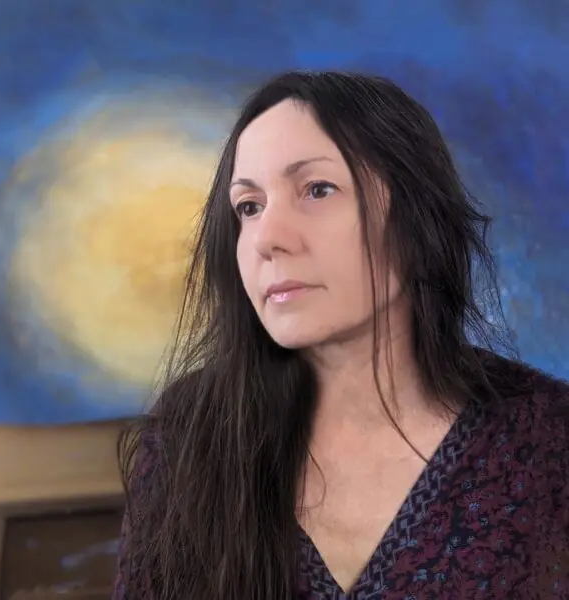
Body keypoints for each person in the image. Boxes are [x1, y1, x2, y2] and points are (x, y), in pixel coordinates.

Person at [112, 71, 569, 599]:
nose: (267, 239)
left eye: (318, 190)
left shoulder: (548, 438)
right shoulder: (186, 434)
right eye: (249, 207)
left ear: (417, 219)